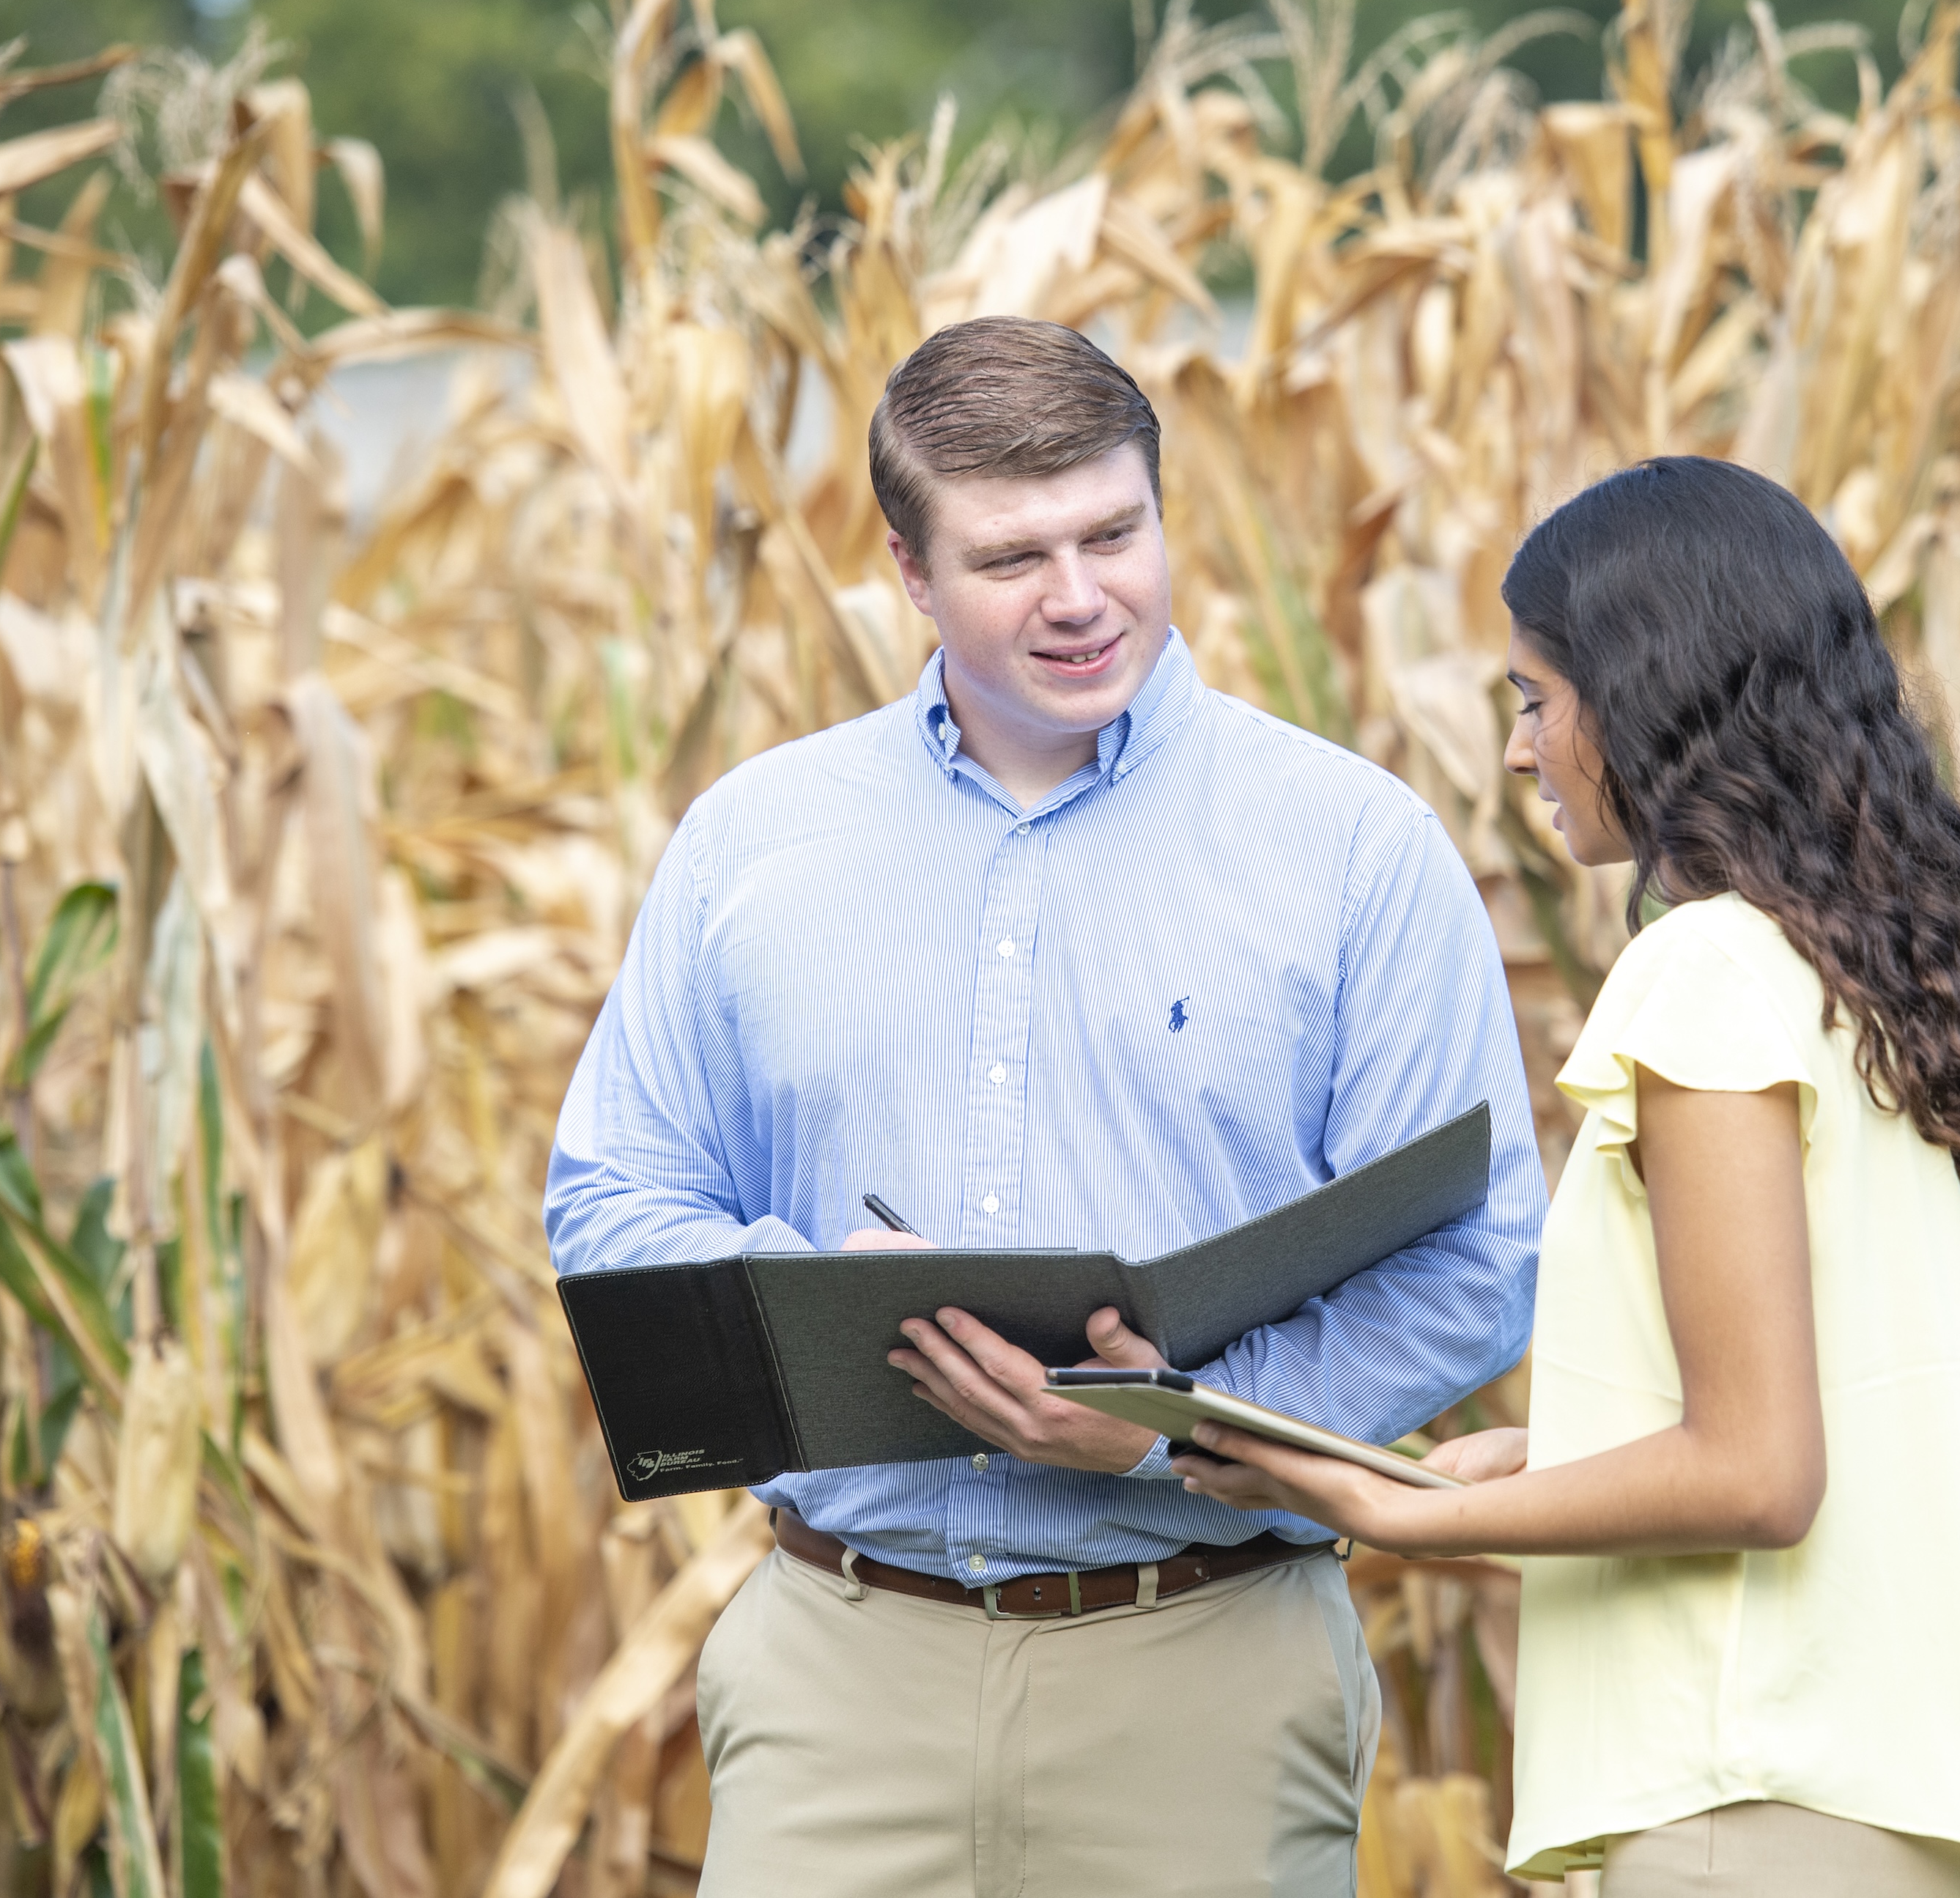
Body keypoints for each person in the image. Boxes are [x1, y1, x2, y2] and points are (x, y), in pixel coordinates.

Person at [542, 315, 1548, 1897]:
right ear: (907, 569)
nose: (1079, 597)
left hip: (1202, 1666)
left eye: (1113, 532)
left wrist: (1170, 1429)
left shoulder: (1355, 847)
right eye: (1012, 556)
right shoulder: (754, 842)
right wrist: (816, 1296)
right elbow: (613, 1192)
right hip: (840, 1675)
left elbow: (1472, 1263)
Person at [1179, 456, 1960, 1896]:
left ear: (1647, 695)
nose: (1518, 750)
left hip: (1757, 1802)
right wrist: (1543, 1448)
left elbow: (1753, 1469)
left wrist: (1408, 1510)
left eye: (1534, 698)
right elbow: (1831, 1399)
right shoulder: (1885, 988)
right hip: (1924, 1810)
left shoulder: (1706, 971)